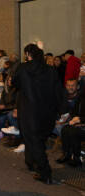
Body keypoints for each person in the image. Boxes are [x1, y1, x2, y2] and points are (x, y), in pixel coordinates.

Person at [12, 44, 62, 184]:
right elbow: (58, 92)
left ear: (28, 54)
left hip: (29, 112)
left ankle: (45, 173)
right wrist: (59, 112)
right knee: (38, 140)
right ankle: (31, 163)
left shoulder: (23, 68)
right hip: (47, 113)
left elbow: (15, 83)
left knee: (34, 142)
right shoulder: (51, 70)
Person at [57, 89, 85, 167]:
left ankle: (77, 158)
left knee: (73, 132)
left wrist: (80, 119)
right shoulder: (82, 95)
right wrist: (74, 117)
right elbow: (74, 110)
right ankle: (67, 154)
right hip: (79, 123)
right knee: (65, 129)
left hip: (82, 123)